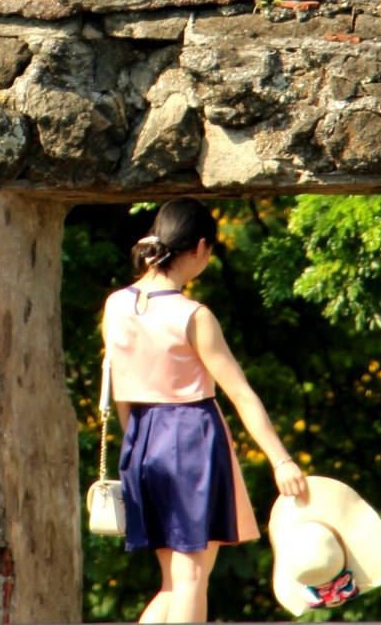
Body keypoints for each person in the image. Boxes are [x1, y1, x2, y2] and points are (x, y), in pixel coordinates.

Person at [103, 198, 311, 624]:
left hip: (140, 439)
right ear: (200, 248)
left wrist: (135, 444)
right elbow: (241, 394)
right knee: (193, 579)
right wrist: (281, 459)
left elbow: (118, 386)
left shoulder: (116, 304)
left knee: (173, 583)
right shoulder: (194, 315)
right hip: (190, 439)